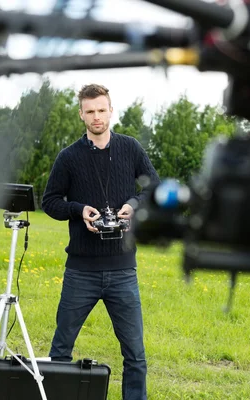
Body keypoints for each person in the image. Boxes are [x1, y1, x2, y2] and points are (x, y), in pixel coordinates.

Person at [41, 83, 160, 400]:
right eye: (90, 111)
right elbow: (49, 201)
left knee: (135, 356)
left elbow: (154, 188)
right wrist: (79, 211)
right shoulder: (68, 157)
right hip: (80, 270)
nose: (96, 116)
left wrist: (132, 206)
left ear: (111, 110)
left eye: (101, 110)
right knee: (61, 350)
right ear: (81, 114)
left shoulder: (130, 148)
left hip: (123, 270)